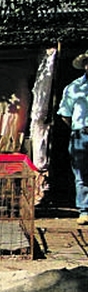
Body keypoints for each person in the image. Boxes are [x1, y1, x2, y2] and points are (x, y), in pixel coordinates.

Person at [57, 50, 88, 225]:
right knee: (81, 173)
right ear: (85, 65)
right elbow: (65, 114)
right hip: (82, 135)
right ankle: (84, 210)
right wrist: (79, 129)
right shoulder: (74, 87)